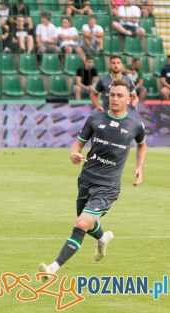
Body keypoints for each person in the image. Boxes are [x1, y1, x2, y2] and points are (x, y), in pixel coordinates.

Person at [39, 79, 147, 279]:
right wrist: (74, 154)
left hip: (108, 186)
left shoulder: (135, 124)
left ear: (129, 99)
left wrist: (139, 168)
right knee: (86, 222)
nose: (114, 98)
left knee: (81, 224)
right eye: (112, 95)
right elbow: (77, 146)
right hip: (86, 179)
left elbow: (142, 144)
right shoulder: (94, 119)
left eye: (119, 95)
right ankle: (103, 238)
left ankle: (53, 268)